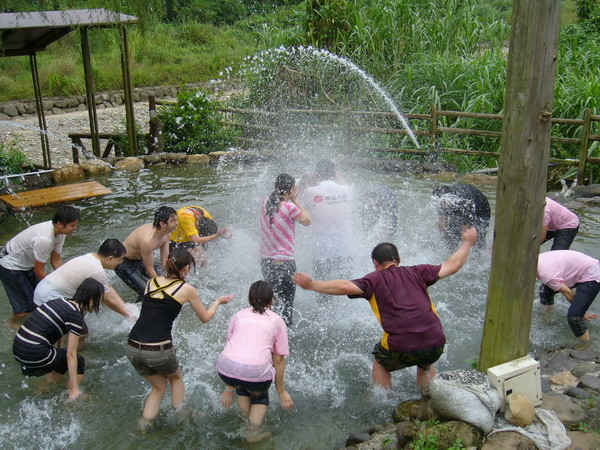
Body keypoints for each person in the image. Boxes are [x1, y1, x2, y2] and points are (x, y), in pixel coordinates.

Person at [293, 227, 477, 389]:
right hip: (436, 344)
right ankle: (429, 399)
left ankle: (384, 402)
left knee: (380, 361)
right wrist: (467, 243)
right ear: (398, 259)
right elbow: (453, 265)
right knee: (425, 362)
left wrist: (312, 285)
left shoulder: (373, 280)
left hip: (400, 348)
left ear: (375, 263)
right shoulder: (418, 272)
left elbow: (345, 286)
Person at [126, 248, 234, 430]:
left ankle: (144, 425)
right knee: (176, 378)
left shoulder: (151, 282)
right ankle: (180, 416)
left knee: (159, 386)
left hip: (132, 346)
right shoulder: (186, 289)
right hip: (158, 349)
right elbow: (205, 318)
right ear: (185, 270)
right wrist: (217, 302)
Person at [217, 280, 293, 436]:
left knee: (242, 384)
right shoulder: (277, 320)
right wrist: (281, 391)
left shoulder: (238, 315)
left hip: (225, 370)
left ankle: (245, 422)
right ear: (272, 300)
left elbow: (234, 347)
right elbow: (278, 360)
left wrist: (228, 388)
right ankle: (253, 434)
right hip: (255, 375)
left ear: (249, 298)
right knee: (259, 396)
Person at [13, 278, 104, 401]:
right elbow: (71, 355)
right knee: (79, 361)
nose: (99, 304)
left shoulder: (60, 302)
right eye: (99, 300)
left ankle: (40, 391)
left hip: (19, 350)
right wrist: (75, 388)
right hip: (34, 352)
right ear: (92, 299)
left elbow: (59, 332)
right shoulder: (75, 315)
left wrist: (59, 353)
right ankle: (72, 396)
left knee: (61, 361)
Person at [0, 206, 79, 322]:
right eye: (72, 226)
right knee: (25, 309)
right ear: (60, 224)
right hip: (11, 265)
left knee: (39, 298)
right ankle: (14, 325)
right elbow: (39, 271)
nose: (75, 228)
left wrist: (68, 281)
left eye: (76, 225)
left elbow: (56, 261)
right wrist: (57, 287)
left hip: (27, 263)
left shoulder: (60, 233)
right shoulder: (44, 239)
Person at [33, 239, 133, 320]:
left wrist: (126, 308)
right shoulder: (97, 270)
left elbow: (108, 288)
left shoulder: (91, 257)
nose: (120, 263)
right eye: (120, 259)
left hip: (42, 291)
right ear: (110, 258)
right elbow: (108, 300)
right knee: (79, 333)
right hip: (49, 298)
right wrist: (130, 316)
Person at [260, 173, 311, 326]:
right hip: (285, 262)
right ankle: (285, 341)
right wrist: (295, 199)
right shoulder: (290, 207)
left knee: (271, 302)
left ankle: (267, 331)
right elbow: (308, 220)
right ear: (292, 189)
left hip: (266, 261)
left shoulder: (264, 202)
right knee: (287, 306)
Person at [301, 160, 353, 302]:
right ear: (334, 173)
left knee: (322, 283)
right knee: (345, 283)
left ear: (317, 174)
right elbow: (345, 183)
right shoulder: (347, 189)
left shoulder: (311, 191)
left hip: (321, 245)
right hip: (344, 244)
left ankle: (323, 311)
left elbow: (303, 210)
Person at [537, 250, 600, 348]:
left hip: (593, 274)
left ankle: (586, 347)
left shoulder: (545, 273)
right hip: (581, 267)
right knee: (546, 291)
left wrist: (580, 311)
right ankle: (545, 321)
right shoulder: (536, 260)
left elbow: (568, 293)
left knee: (574, 317)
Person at [115, 206, 178, 302]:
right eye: (173, 221)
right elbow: (150, 269)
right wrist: (162, 287)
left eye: (176, 220)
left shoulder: (167, 233)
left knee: (167, 278)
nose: (177, 223)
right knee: (147, 290)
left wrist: (169, 279)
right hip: (123, 262)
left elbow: (165, 258)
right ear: (162, 224)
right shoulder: (148, 241)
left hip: (140, 260)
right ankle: (136, 313)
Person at [538, 197, 580, 305]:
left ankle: (551, 294)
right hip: (552, 224)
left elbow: (540, 238)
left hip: (568, 225)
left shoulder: (543, 209)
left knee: (555, 261)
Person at [432, 183, 490, 250]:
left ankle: (478, 256)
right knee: (451, 239)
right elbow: (442, 221)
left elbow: (465, 229)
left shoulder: (463, 202)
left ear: (449, 199)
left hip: (480, 209)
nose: (440, 206)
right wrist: (444, 238)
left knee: (476, 241)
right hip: (460, 205)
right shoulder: (443, 201)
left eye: (442, 203)